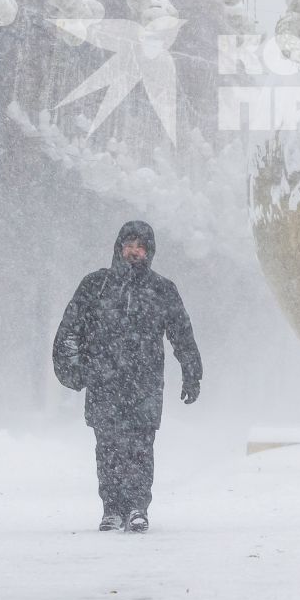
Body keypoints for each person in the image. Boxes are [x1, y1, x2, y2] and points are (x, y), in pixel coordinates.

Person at [53, 221, 202, 532]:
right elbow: (70, 328)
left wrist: (191, 371)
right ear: (119, 247)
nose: (134, 251)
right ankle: (111, 508)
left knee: (140, 447)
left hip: (144, 384)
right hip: (104, 382)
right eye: (129, 245)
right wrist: (73, 369)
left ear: (149, 251)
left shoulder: (162, 289)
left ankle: (137, 507)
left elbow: (181, 334)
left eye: (141, 246)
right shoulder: (96, 286)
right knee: (107, 448)